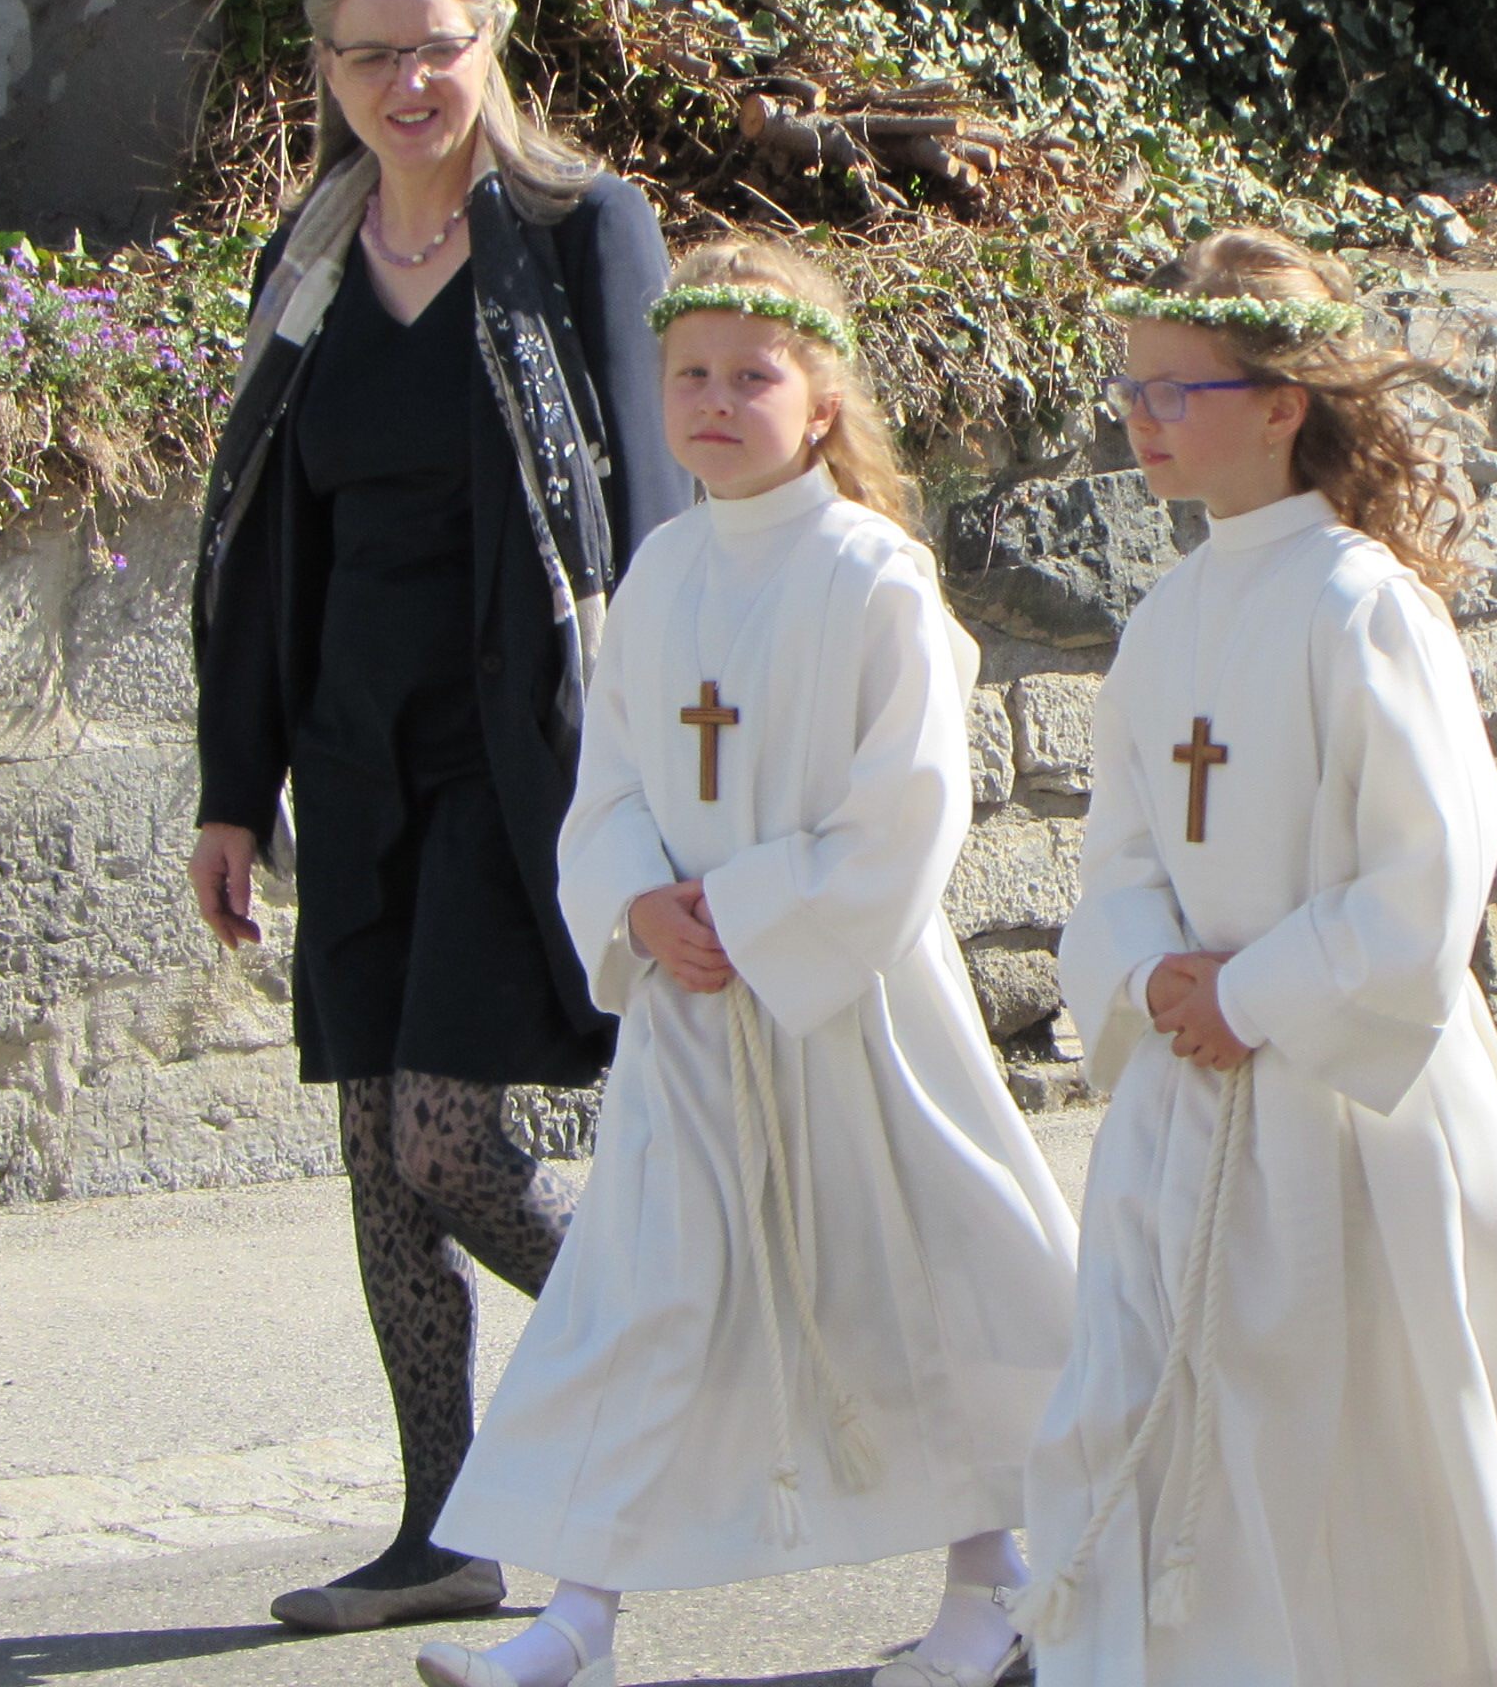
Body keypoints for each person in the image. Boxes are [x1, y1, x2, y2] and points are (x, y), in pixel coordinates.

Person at [1022, 230, 1497, 1686]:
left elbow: (1428, 875)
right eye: (1131, 388)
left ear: (1281, 405)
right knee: (1174, 1409)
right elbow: (1122, 857)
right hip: (1194, 1105)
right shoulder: (1166, 618)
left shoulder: (1365, 604)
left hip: (1351, 1111)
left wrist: (1252, 995)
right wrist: (1154, 980)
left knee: (1373, 1436)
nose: (1141, 418)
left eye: (1175, 389)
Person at [414, 241, 1080, 1687]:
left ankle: (992, 1577)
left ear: (822, 399)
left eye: (752, 375)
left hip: (849, 1016)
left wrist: (756, 908)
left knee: (926, 1283)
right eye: (691, 375)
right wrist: (643, 905)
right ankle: (577, 1617)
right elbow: (616, 783)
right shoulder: (659, 573)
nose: (716, 401)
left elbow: (910, 802)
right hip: (698, 1022)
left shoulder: (872, 576)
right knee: (646, 1297)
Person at [187, 0, 690, 1635]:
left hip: (525, 754)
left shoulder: (577, 229)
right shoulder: (309, 262)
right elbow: (266, 549)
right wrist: (231, 786)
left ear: (491, 40)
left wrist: (669, 761)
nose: (408, 81)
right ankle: (442, 1531)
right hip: (354, 754)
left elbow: (656, 506)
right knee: (370, 1152)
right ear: (325, 74)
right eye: (368, 54)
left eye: (436, 43)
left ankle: (686, 1330)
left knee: (448, 1141)